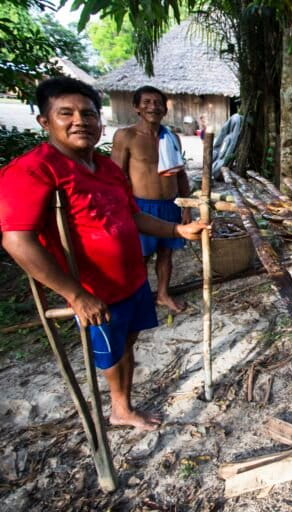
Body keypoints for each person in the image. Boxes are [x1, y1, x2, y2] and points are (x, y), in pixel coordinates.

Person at [0, 77, 208, 431]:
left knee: (129, 340)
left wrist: (176, 230)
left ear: (100, 119)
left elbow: (133, 216)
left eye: (89, 113)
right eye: (66, 113)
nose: (80, 120)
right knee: (111, 351)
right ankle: (121, 408)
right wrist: (75, 294)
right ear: (45, 122)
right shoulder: (35, 169)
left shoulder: (106, 168)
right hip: (96, 289)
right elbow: (17, 241)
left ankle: (121, 404)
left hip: (131, 279)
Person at [111, 86, 192, 314]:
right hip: (140, 206)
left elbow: (180, 173)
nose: (153, 107)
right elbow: (116, 176)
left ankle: (163, 294)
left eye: (158, 103)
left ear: (165, 109)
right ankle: (138, 297)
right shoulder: (126, 136)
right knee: (140, 257)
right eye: (146, 102)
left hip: (170, 204)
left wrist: (186, 207)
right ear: (136, 107)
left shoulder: (171, 136)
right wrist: (124, 209)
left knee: (166, 253)